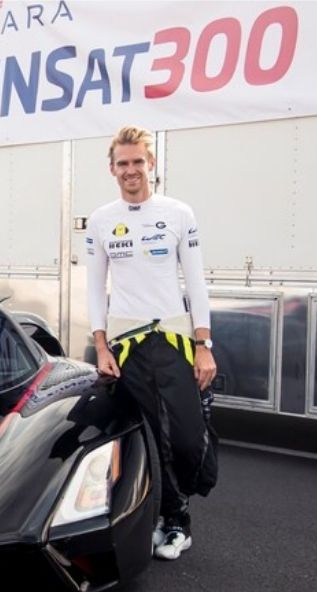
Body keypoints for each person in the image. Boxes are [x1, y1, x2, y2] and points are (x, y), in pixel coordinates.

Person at [84, 125, 218, 561]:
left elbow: (196, 283)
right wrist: (101, 347)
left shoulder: (179, 213)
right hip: (125, 345)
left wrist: (204, 343)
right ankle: (172, 520)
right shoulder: (102, 220)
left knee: (183, 436)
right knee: (144, 439)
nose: (130, 170)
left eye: (137, 161)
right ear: (112, 169)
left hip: (176, 339)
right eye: (122, 163)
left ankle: (177, 510)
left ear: (151, 164)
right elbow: (93, 289)